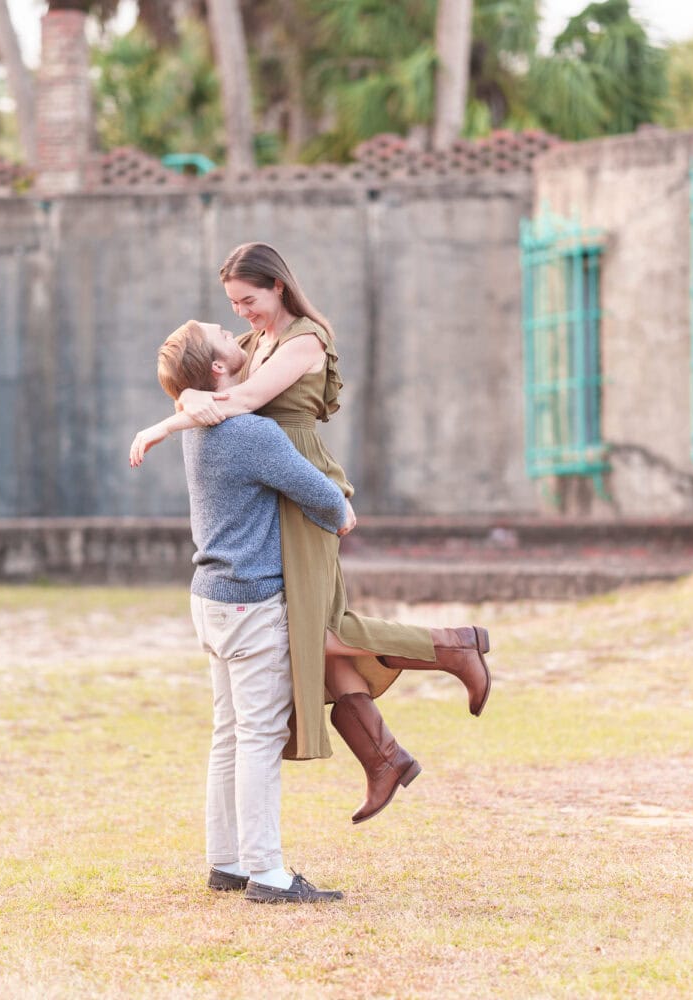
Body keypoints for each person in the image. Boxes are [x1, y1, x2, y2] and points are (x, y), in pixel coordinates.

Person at [130, 243, 491, 825]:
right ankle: (384, 757)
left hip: (300, 480)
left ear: (277, 285)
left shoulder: (303, 340)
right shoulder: (253, 343)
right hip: (270, 487)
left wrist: (164, 423)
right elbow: (210, 381)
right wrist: (189, 395)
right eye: (232, 304)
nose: (242, 312)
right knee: (307, 635)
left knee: (320, 629)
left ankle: (452, 646)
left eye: (248, 299)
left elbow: (240, 399)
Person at [160, 320, 349, 903]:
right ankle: (267, 872)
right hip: (252, 600)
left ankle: (228, 861)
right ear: (218, 368)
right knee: (260, 737)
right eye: (220, 333)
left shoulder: (200, 428)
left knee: (229, 733)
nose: (233, 331)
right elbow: (322, 496)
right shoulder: (252, 434)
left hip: (209, 596)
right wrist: (341, 511)